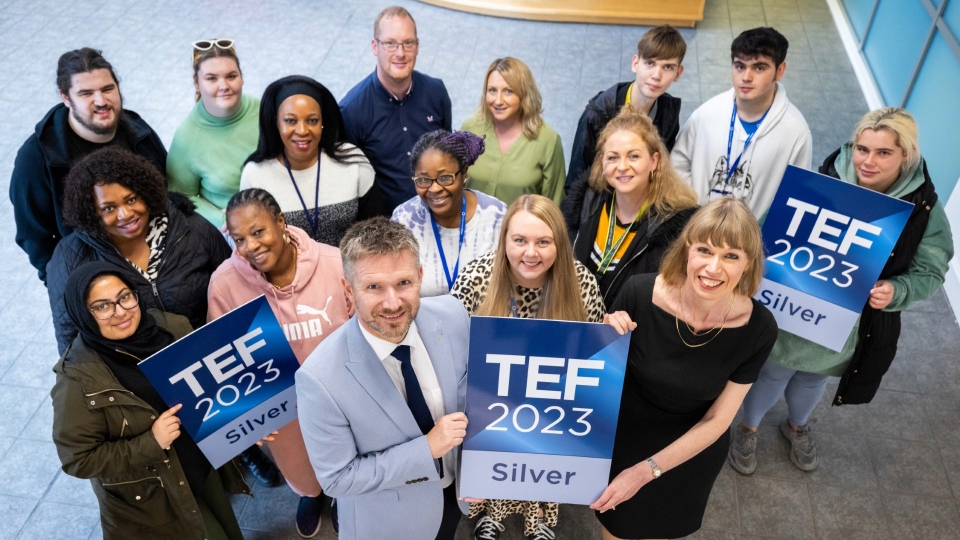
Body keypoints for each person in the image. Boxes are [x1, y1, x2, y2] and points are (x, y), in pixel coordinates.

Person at [729, 108, 954, 475]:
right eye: (862, 148)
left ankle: (796, 425)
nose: (867, 161)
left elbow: (931, 269)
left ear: (907, 155)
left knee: (814, 376)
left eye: (884, 153)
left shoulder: (924, 210)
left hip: (848, 323)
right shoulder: (823, 182)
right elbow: (765, 231)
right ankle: (747, 427)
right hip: (792, 306)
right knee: (773, 370)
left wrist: (896, 290)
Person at [590, 198, 777, 540]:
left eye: (731, 256)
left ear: (748, 264)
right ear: (687, 250)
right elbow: (597, 381)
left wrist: (647, 471)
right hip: (624, 436)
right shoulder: (638, 292)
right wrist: (601, 338)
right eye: (705, 250)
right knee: (616, 531)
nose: (713, 268)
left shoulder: (759, 327)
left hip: (690, 453)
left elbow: (719, 420)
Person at [296, 217, 470, 540]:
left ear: (419, 277)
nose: (393, 303)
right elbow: (338, 479)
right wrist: (427, 449)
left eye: (403, 283)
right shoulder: (318, 379)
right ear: (349, 290)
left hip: (455, 498)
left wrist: (476, 475)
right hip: (391, 522)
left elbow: (471, 402)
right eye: (374, 287)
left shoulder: (454, 316)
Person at [51, 261, 247, 540]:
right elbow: (77, 459)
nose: (120, 312)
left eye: (124, 297)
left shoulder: (171, 327)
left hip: (201, 465)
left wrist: (247, 418)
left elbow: (209, 389)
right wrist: (150, 443)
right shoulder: (77, 379)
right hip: (157, 494)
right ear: (84, 313)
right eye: (102, 306)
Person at [451, 194, 606, 540]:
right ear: (504, 239)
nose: (530, 253)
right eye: (519, 240)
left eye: (543, 242)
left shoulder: (581, 284)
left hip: (552, 404)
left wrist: (615, 328)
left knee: (541, 459)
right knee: (497, 459)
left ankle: (540, 516)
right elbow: (452, 346)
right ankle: (490, 514)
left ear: (559, 244)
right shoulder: (476, 278)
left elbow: (594, 353)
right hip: (490, 402)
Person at [207, 188, 353, 537]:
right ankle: (309, 495)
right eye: (240, 239)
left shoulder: (335, 263)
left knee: (346, 456)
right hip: (281, 405)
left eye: (258, 232)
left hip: (340, 394)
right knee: (299, 468)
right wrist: (245, 415)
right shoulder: (225, 285)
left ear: (281, 222)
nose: (251, 246)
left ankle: (341, 496)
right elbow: (225, 356)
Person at [46, 147, 231, 354]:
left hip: (214, 350)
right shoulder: (70, 258)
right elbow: (69, 337)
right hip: (137, 373)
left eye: (131, 199)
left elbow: (235, 284)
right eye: (108, 208)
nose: (125, 214)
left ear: (146, 193)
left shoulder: (191, 228)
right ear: (91, 213)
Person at [10, 47, 166, 283]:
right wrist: (67, 284)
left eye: (107, 89)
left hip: (155, 257)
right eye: (86, 93)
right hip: (94, 274)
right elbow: (35, 238)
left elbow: (165, 192)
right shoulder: (36, 158)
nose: (101, 101)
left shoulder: (138, 130)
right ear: (66, 98)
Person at [563, 106, 699, 306]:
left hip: (631, 332)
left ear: (654, 161)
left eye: (633, 156)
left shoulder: (677, 228)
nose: (622, 166)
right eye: (613, 157)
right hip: (574, 324)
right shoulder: (581, 204)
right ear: (602, 162)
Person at [671, 27, 812, 217]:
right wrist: (694, 210)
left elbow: (794, 197)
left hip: (751, 241)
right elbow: (677, 166)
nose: (746, 77)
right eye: (740, 66)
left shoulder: (796, 132)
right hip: (698, 228)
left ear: (780, 71)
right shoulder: (706, 114)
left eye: (759, 68)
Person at [340, 6, 453, 212]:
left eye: (408, 43)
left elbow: (448, 154)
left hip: (437, 214)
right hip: (386, 227)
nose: (400, 53)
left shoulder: (437, 93)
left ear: (417, 46)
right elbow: (349, 184)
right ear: (375, 46)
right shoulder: (351, 110)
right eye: (390, 44)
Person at [241, 75, 376, 247]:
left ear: (323, 122)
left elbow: (376, 231)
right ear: (275, 123)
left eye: (312, 120)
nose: (302, 130)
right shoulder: (255, 174)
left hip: (350, 271)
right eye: (290, 121)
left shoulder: (352, 161)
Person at [567, 25, 687, 191]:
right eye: (650, 63)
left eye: (667, 67)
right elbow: (575, 181)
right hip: (602, 201)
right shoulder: (598, 114)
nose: (656, 76)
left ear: (678, 73)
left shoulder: (669, 112)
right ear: (635, 63)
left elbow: (661, 168)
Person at [392, 130, 507, 297]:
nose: (435, 188)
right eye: (423, 180)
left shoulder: (497, 216)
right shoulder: (404, 220)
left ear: (464, 173)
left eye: (445, 177)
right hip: (423, 322)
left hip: (481, 322)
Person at [167, 39, 259, 230]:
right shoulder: (186, 138)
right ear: (197, 83)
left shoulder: (265, 111)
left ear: (242, 77)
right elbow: (181, 195)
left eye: (231, 76)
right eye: (212, 78)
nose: (223, 85)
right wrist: (224, 220)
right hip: (233, 230)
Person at [461, 57, 566, 206]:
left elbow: (554, 204)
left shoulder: (548, 140)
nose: (498, 100)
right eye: (492, 90)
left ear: (524, 94)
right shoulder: (470, 128)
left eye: (508, 91)